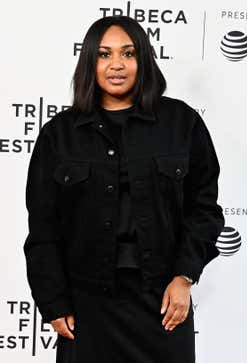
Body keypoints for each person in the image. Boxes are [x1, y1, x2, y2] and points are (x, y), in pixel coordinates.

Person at [24, 16, 224, 363]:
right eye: (104, 55)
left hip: (163, 303)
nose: (116, 64)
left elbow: (204, 209)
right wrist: (52, 300)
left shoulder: (181, 123)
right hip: (87, 306)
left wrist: (184, 277)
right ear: (90, 62)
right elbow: (43, 228)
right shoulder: (59, 134)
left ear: (143, 60)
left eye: (128, 54)